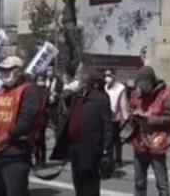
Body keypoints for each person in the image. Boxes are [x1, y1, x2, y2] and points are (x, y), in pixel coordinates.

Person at [0, 55, 42, 196]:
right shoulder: (0, 92)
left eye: (7, 70)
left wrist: (0, 140)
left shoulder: (29, 91)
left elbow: (25, 123)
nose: (3, 73)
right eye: (2, 70)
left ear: (18, 71)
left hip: (16, 154)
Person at [50, 68, 113, 196]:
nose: (77, 83)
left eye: (80, 80)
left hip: (90, 148)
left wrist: (107, 151)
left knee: (89, 183)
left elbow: (107, 127)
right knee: (78, 181)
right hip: (74, 146)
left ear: (88, 83)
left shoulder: (100, 98)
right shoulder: (76, 97)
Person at [129, 66, 170, 196]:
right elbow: (130, 110)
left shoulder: (165, 95)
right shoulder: (136, 95)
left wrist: (149, 119)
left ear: (151, 81)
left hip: (157, 143)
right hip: (139, 143)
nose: (142, 88)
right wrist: (134, 116)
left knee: (162, 183)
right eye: (139, 84)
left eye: (144, 84)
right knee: (139, 182)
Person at [104, 68, 129, 165]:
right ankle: (109, 159)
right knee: (108, 139)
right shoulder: (105, 87)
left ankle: (118, 159)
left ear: (114, 76)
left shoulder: (120, 88)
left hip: (115, 117)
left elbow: (123, 103)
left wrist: (125, 115)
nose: (107, 77)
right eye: (105, 75)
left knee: (115, 139)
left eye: (109, 75)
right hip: (106, 115)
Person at [33, 74, 49, 166]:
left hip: (42, 117)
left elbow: (45, 103)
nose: (40, 81)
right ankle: (36, 158)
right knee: (34, 139)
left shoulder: (45, 91)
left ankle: (42, 159)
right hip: (34, 118)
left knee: (40, 138)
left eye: (42, 79)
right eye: (39, 79)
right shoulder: (33, 90)